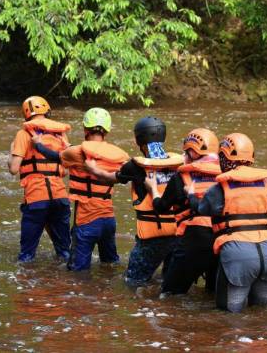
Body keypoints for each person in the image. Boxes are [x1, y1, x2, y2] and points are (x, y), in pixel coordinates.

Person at [188, 133, 267, 312]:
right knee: (262, 315)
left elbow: (201, 208)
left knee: (229, 316)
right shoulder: (264, 185)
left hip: (239, 255)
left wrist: (191, 195)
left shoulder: (219, 189)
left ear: (225, 158)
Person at [85, 116, 183, 287]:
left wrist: (93, 169)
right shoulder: (177, 164)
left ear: (140, 141)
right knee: (168, 284)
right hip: (178, 235)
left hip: (152, 237)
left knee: (133, 284)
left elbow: (109, 178)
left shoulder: (135, 167)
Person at [33, 107, 129, 271]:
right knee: (110, 266)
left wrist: (38, 145)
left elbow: (54, 156)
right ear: (107, 130)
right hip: (108, 220)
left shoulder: (75, 152)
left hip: (86, 222)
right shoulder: (119, 156)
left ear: (85, 129)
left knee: (77, 273)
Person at [145, 128, 221, 296]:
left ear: (193, 153)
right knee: (212, 296)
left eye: (186, 152)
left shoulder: (181, 177)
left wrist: (153, 190)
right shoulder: (225, 177)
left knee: (170, 294)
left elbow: (162, 207)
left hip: (193, 239)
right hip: (222, 240)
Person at [7, 96, 72, 263]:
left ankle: (28, 286)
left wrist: (11, 151)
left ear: (26, 114)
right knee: (65, 253)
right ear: (47, 110)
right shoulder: (60, 135)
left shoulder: (23, 134)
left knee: (27, 257)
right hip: (60, 197)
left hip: (36, 198)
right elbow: (64, 170)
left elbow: (14, 169)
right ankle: (70, 285)